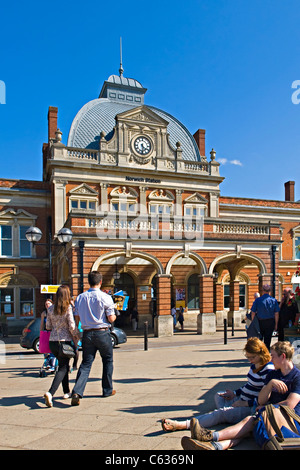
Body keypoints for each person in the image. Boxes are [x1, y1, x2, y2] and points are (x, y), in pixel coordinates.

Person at [181, 341, 300, 450]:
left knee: (248, 422)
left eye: (273, 355)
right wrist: (270, 385)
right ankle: (214, 446)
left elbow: (289, 405)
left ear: (283, 356)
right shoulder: (273, 374)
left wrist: (266, 408)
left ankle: (208, 437)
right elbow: (261, 400)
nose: (271, 358)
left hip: (289, 420)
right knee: (245, 429)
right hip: (269, 415)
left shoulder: (297, 377)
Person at [161, 337, 274, 432]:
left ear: (261, 353)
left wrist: (243, 403)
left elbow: (265, 398)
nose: (250, 360)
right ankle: (227, 414)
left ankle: (183, 424)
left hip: (250, 406)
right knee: (219, 395)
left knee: (219, 413)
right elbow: (249, 385)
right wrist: (234, 393)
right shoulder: (254, 365)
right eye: (248, 357)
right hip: (241, 399)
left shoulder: (268, 369)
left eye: (252, 357)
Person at [71, 271, 117, 406]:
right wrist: (116, 313)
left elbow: (77, 317)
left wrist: (78, 331)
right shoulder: (106, 297)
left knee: (86, 363)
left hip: (87, 333)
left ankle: (77, 391)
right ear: (101, 281)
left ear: (88, 282)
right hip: (102, 332)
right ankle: (107, 389)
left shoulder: (80, 297)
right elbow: (111, 318)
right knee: (107, 360)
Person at [44, 286, 79, 407]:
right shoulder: (68, 308)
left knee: (63, 365)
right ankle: (50, 392)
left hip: (53, 342)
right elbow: (72, 326)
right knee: (63, 368)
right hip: (65, 342)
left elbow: (48, 326)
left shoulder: (50, 309)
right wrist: (77, 336)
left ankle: (66, 391)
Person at [250, 284, 279, 350]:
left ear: (262, 291)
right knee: (268, 340)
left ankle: (260, 353)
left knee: (259, 339)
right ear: (270, 291)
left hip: (260, 322)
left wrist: (253, 322)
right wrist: (276, 324)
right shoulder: (274, 300)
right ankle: (267, 354)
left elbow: (253, 312)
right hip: (270, 322)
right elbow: (276, 313)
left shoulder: (257, 300)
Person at [40, 298, 56, 371]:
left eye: (49, 304)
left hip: (53, 332)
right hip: (46, 332)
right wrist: (41, 333)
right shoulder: (44, 313)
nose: (47, 305)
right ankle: (47, 363)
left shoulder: (55, 312)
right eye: (46, 304)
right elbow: (42, 324)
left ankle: (52, 364)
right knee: (45, 349)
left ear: (52, 304)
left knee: (52, 348)